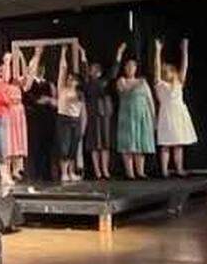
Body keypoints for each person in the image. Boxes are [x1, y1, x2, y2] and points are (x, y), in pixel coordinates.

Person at [154, 39, 198, 177]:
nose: (167, 73)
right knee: (166, 144)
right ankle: (164, 171)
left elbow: (184, 66)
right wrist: (158, 50)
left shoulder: (179, 82)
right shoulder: (160, 84)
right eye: (164, 71)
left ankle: (179, 169)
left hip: (179, 114)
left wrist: (184, 50)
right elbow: (156, 67)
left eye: (169, 70)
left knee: (178, 144)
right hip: (167, 114)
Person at [115, 42, 156, 179]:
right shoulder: (122, 80)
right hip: (127, 116)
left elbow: (150, 100)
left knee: (140, 143)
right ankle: (130, 173)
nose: (130, 68)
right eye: (128, 66)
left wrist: (153, 117)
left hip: (142, 115)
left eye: (133, 66)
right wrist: (135, 85)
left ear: (136, 68)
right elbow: (123, 91)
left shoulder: (143, 82)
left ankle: (140, 171)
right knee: (128, 144)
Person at [80, 43, 120, 180]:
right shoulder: (87, 83)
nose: (92, 70)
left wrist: (119, 54)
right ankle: (97, 171)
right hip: (93, 114)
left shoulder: (105, 81)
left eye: (95, 69)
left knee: (105, 144)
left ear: (100, 71)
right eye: (91, 69)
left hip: (105, 114)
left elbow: (114, 71)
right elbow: (83, 69)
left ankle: (105, 170)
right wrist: (83, 55)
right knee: (94, 144)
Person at [23, 46, 57, 181]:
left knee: (47, 146)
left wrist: (49, 100)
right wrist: (37, 55)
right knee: (36, 146)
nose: (41, 70)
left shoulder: (49, 84)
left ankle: (47, 173)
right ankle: (35, 173)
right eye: (38, 68)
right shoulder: (30, 84)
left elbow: (54, 100)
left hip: (48, 117)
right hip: (35, 117)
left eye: (42, 68)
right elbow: (30, 97)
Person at [55, 45, 83, 182]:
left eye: (73, 79)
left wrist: (82, 54)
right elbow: (62, 70)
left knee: (73, 147)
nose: (69, 79)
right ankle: (64, 173)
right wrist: (63, 53)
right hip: (64, 119)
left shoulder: (80, 93)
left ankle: (72, 172)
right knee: (64, 147)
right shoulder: (62, 88)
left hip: (75, 120)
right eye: (69, 78)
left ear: (77, 81)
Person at [3, 52, 29, 181]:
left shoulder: (18, 84)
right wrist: (7, 61)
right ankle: (7, 170)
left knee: (19, 139)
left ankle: (17, 170)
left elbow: (26, 74)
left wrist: (21, 56)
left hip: (19, 112)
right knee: (10, 140)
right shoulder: (4, 84)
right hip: (10, 111)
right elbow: (5, 77)